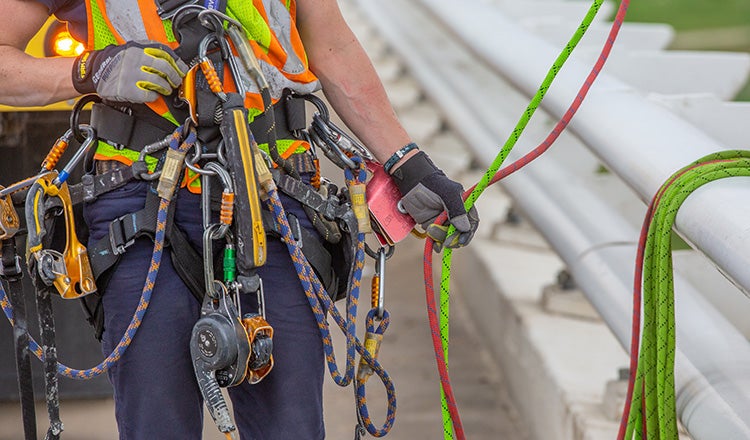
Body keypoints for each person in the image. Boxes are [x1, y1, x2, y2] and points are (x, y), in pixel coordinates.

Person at [0, 0, 479, 438]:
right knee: (157, 422)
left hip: (272, 194)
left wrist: (409, 165)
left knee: (290, 425)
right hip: (143, 202)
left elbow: (331, 45)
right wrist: (90, 70)